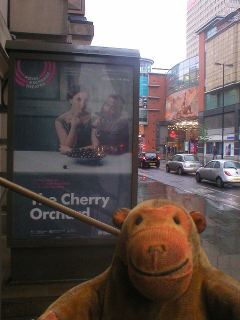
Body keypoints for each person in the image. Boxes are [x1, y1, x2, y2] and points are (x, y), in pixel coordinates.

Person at [55, 84, 99, 154]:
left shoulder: (94, 118)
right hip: (66, 160)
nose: (82, 104)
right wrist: (74, 126)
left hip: (88, 157)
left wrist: (72, 151)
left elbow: (95, 146)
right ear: (70, 100)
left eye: (86, 100)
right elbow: (65, 147)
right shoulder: (60, 120)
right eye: (78, 99)